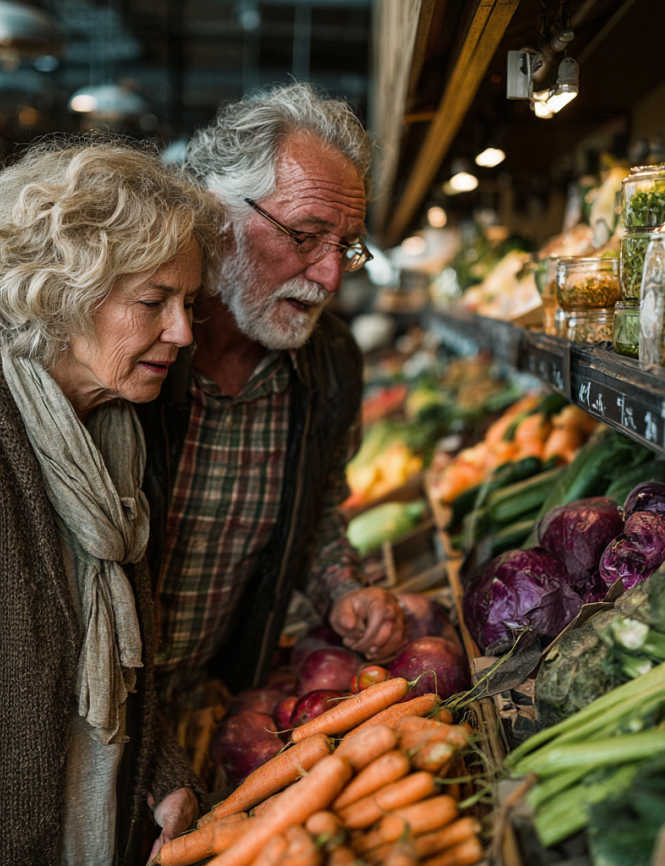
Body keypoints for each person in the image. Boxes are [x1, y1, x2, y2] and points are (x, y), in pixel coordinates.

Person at [0, 137, 223, 866]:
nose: (183, 334)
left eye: (189, 303)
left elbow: (109, 667)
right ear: (61, 295)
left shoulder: (115, 436)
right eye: (154, 302)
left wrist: (159, 777)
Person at [136, 83, 408, 715]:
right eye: (306, 235)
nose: (331, 275)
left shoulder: (329, 362)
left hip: (208, 701)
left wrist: (343, 590)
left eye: (345, 246)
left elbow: (316, 513)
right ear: (215, 214)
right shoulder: (132, 346)